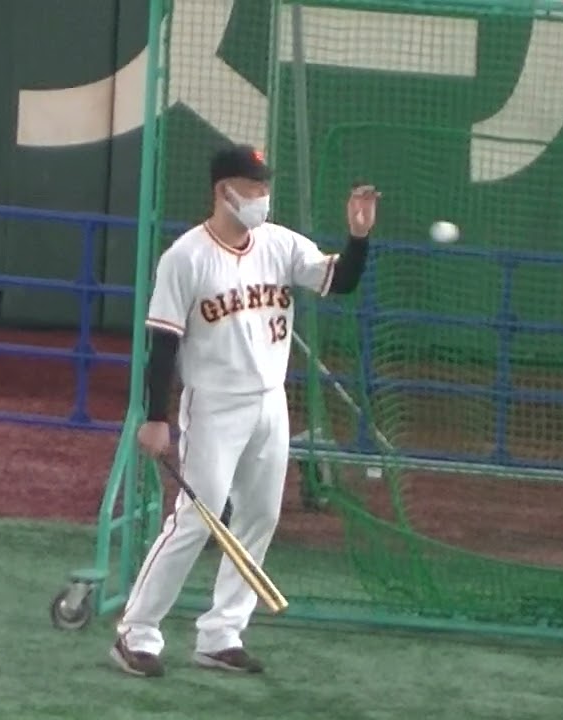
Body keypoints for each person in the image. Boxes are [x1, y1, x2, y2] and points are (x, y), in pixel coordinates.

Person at [110, 144, 379, 677]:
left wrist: (359, 237)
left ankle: (221, 634)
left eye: (264, 187)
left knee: (260, 516)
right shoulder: (186, 257)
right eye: (253, 188)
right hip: (214, 406)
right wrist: (156, 417)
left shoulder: (279, 243)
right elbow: (163, 342)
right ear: (223, 191)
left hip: (270, 402)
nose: (262, 197)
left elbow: (340, 280)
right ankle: (135, 633)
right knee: (198, 517)